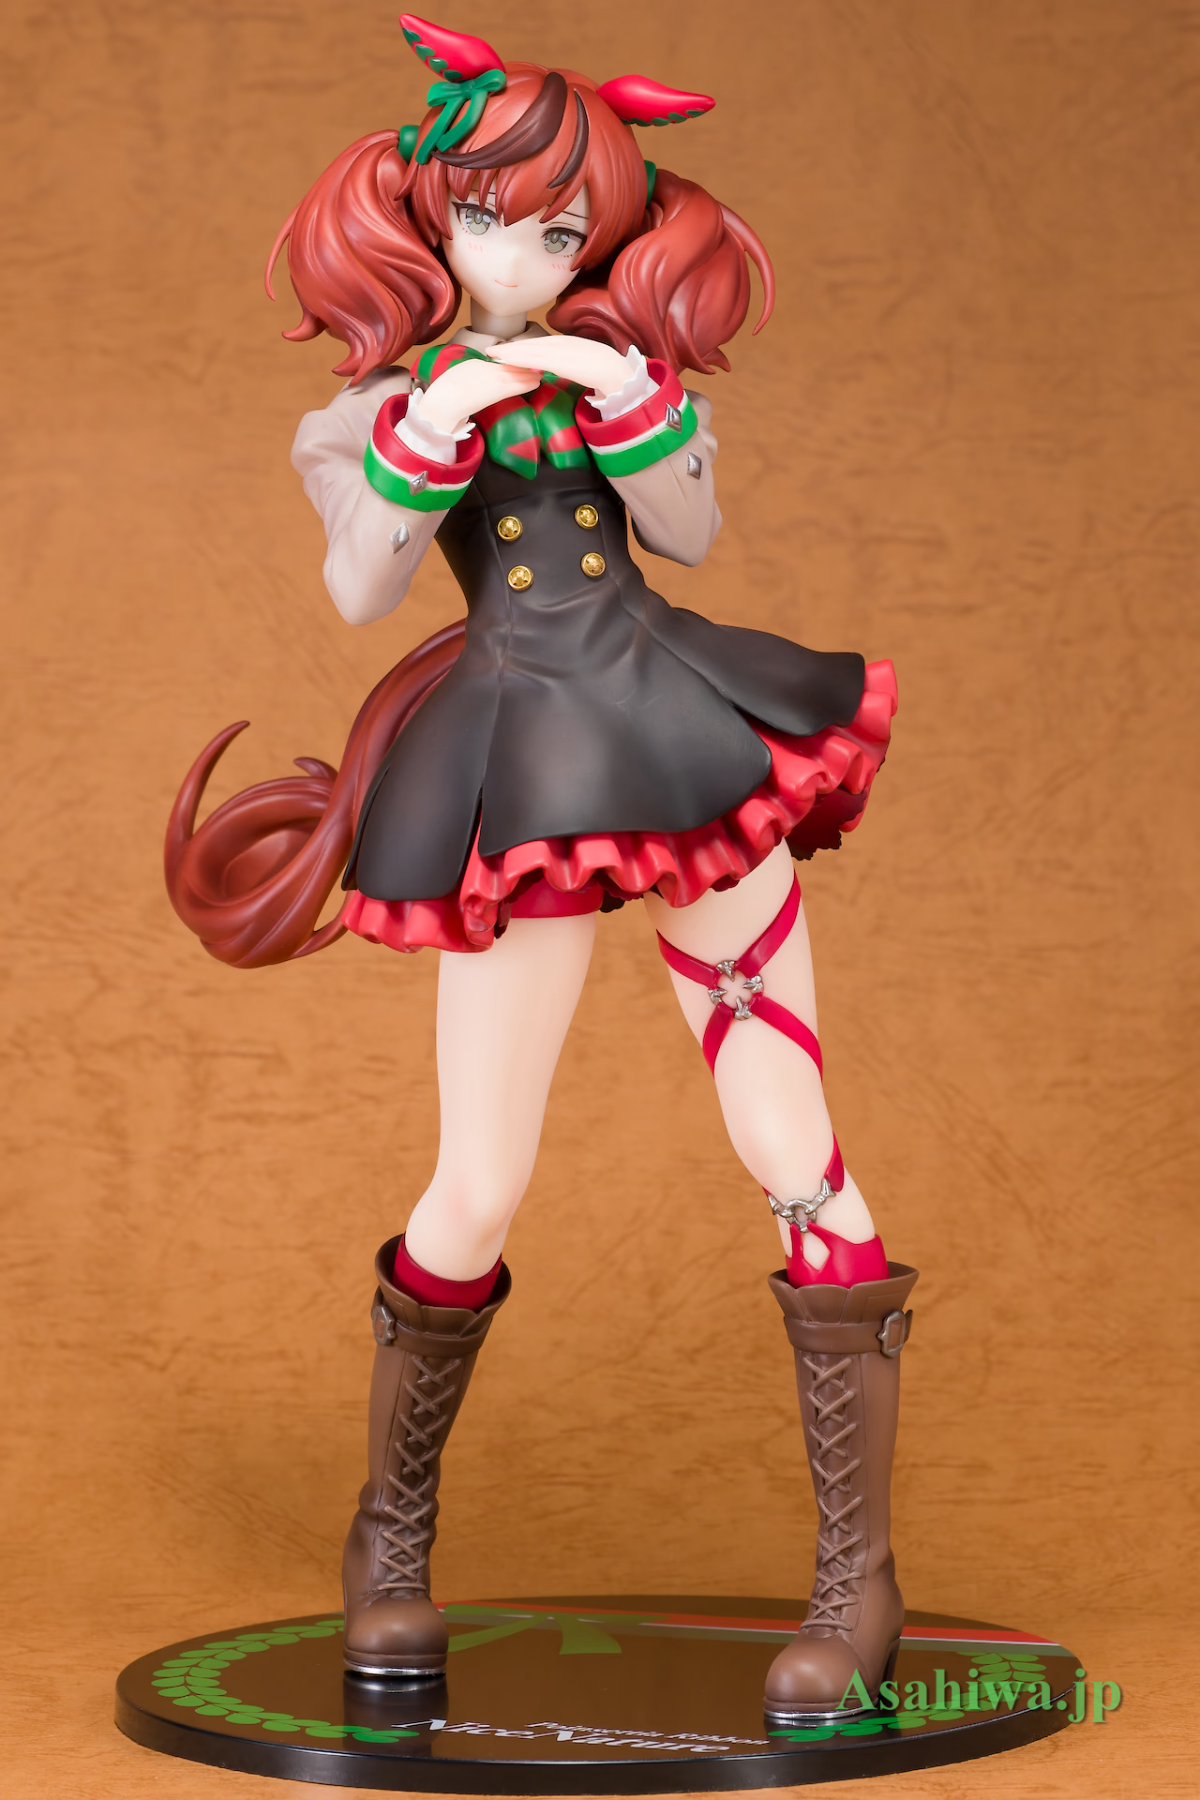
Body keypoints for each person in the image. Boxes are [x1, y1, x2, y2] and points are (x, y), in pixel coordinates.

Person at [165, 13, 918, 1722]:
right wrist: (442, 415)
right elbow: (360, 585)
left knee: (792, 1144)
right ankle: (389, 1545)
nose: (524, 256)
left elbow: (691, 532)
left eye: (566, 229)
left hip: (679, 737)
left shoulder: (617, 379)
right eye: (492, 219)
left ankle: (858, 1583)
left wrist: (622, 393)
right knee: (481, 1177)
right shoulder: (371, 412)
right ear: (427, 217)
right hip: (515, 776)